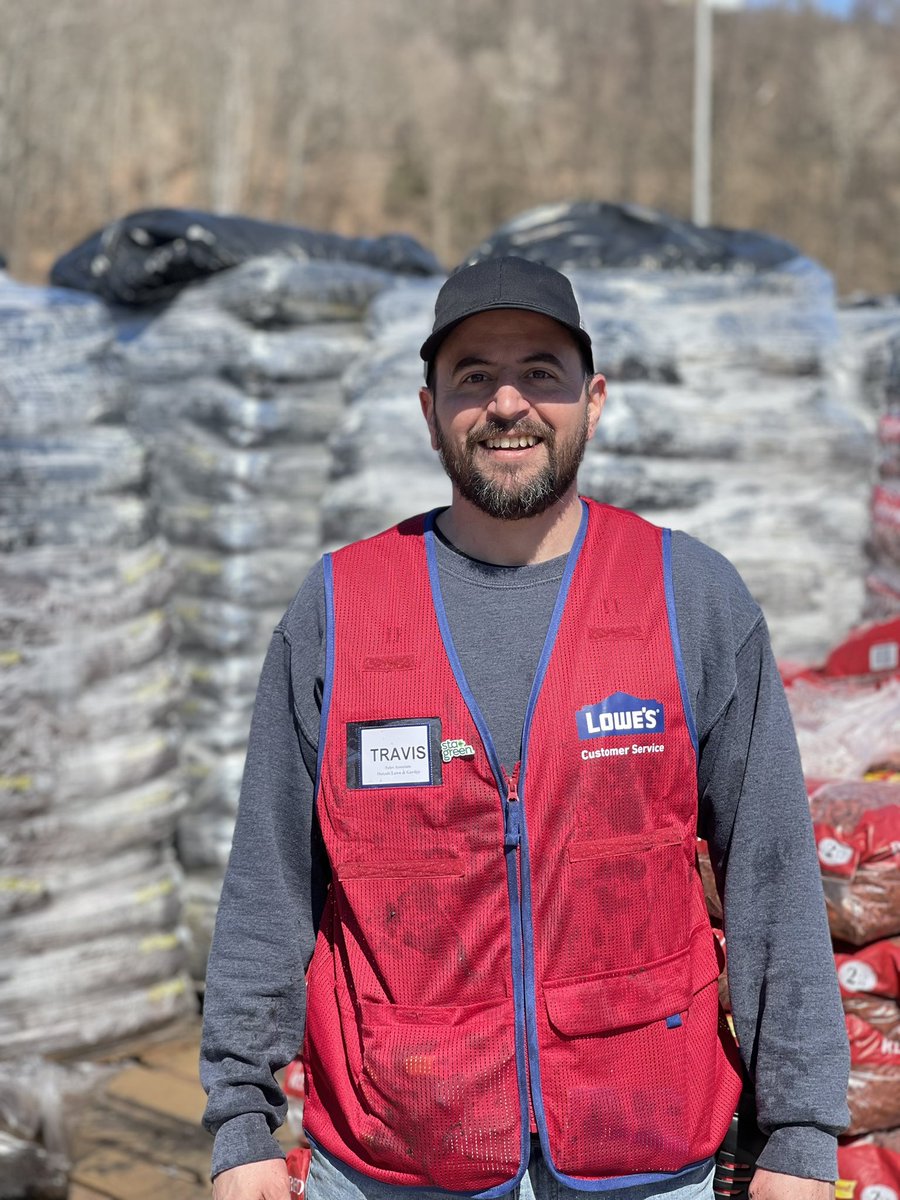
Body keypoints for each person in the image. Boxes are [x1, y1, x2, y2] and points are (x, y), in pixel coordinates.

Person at [201, 256, 850, 1200]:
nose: (509, 403)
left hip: (643, 1155)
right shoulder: (340, 610)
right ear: (428, 410)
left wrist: (799, 1133)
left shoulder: (689, 598)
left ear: (593, 400)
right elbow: (270, 884)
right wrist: (240, 1121)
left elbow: (773, 877)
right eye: (473, 376)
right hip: (394, 1156)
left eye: (540, 371)